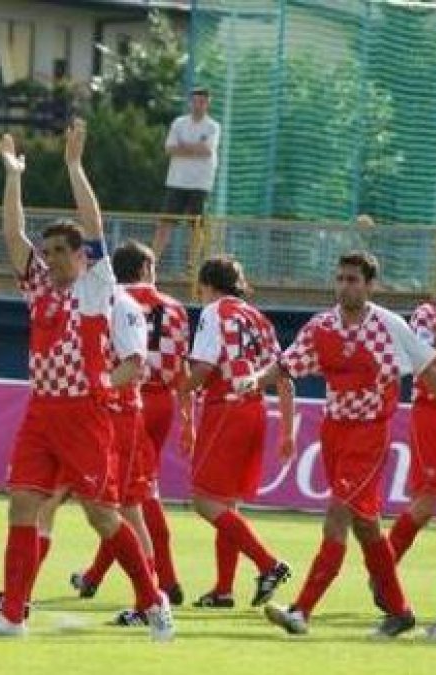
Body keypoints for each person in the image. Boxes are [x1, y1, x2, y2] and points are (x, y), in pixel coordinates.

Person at [0, 120, 174, 641]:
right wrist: (13, 176)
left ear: (84, 257)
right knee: (22, 503)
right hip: (42, 409)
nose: (54, 258)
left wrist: (74, 166)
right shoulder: (38, 285)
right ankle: (13, 615)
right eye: (51, 250)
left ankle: (153, 601)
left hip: (85, 412)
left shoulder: (99, 284)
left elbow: (94, 224)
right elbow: (12, 236)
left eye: (64, 251)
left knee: (103, 515)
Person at [251, 251, 436, 638]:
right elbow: (287, 363)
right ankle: (399, 611)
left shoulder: (389, 325)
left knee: (338, 514)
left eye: (353, 279)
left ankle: (301, 610)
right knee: (367, 527)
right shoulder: (322, 325)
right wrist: (254, 381)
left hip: (370, 432)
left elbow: (429, 372)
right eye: (341, 278)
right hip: (334, 430)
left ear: (369, 285)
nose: (345, 285)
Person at [66, 240, 191, 606]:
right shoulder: (174, 307)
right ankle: (99, 576)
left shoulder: (102, 299)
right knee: (133, 494)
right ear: (147, 268)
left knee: (127, 498)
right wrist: (186, 415)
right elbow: (179, 363)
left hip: (121, 399)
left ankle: (161, 581)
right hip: (161, 400)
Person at [180, 255, 296, 610]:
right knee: (227, 503)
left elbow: (203, 368)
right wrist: (288, 431)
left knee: (204, 500)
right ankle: (223, 590)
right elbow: (284, 376)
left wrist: (177, 386)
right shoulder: (258, 318)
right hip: (255, 409)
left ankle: (268, 564)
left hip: (226, 407)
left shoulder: (216, 312)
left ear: (206, 285)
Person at [379, 251, 436, 640]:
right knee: (426, 505)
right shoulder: (427, 315)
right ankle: (384, 575)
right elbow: (427, 369)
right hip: (435, 415)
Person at [152, 87, 221, 258]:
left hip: (200, 183)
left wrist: (183, 146)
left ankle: (194, 265)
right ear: (190, 103)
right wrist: (194, 147)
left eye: (202, 102)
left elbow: (206, 150)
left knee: (196, 226)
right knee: (165, 223)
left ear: (208, 104)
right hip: (177, 180)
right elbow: (169, 148)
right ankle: (153, 261)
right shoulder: (179, 123)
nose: (198, 105)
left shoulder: (212, 126)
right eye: (195, 101)